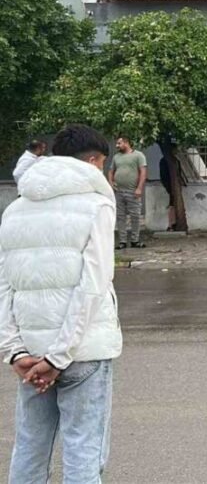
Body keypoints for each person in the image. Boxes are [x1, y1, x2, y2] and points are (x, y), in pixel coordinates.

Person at [0, 124, 122, 483]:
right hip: (83, 350)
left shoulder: (16, 209)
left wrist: (14, 351)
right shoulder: (97, 205)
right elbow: (93, 285)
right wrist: (60, 356)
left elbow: (5, 284)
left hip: (30, 352)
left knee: (30, 448)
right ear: (94, 161)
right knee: (83, 451)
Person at [108, 137, 147, 250]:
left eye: (119, 143)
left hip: (133, 191)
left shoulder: (138, 155)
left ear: (126, 143)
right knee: (120, 217)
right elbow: (111, 171)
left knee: (135, 216)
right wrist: (111, 183)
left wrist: (139, 188)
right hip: (119, 191)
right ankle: (122, 241)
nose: (117, 145)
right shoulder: (116, 157)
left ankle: (135, 240)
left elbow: (143, 172)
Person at [159, 150, 187, 232]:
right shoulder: (164, 161)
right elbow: (163, 176)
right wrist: (168, 186)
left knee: (173, 204)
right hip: (171, 185)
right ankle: (171, 224)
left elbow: (179, 173)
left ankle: (172, 223)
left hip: (175, 185)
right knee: (172, 204)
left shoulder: (176, 160)